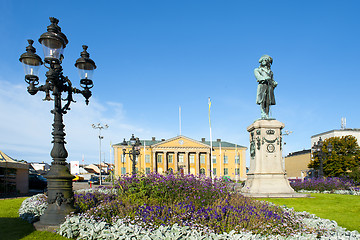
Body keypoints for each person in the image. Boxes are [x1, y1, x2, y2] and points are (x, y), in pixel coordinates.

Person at [254, 55, 277, 119]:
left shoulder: (271, 72)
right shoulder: (257, 70)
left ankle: (267, 114)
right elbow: (258, 77)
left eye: (266, 60)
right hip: (262, 85)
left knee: (268, 101)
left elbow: (272, 80)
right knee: (262, 99)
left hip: (269, 86)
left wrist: (274, 83)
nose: (265, 61)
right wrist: (264, 78)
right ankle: (262, 113)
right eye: (264, 60)